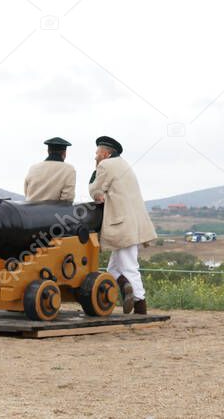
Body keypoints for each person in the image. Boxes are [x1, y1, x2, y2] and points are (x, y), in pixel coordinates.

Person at [88, 135, 157, 314]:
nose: (95, 156)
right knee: (112, 270)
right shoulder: (123, 164)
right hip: (132, 222)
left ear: (105, 153)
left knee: (129, 265)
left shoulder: (105, 165)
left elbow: (95, 191)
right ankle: (125, 286)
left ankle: (140, 304)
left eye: (97, 153)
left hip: (121, 224)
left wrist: (95, 170)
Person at [24, 137, 77, 202]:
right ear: (64, 153)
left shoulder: (33, 168)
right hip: (54, 212)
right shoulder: (69, 169)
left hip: (29, 211)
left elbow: (27, 193)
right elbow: (67, 198)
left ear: (48, 151)